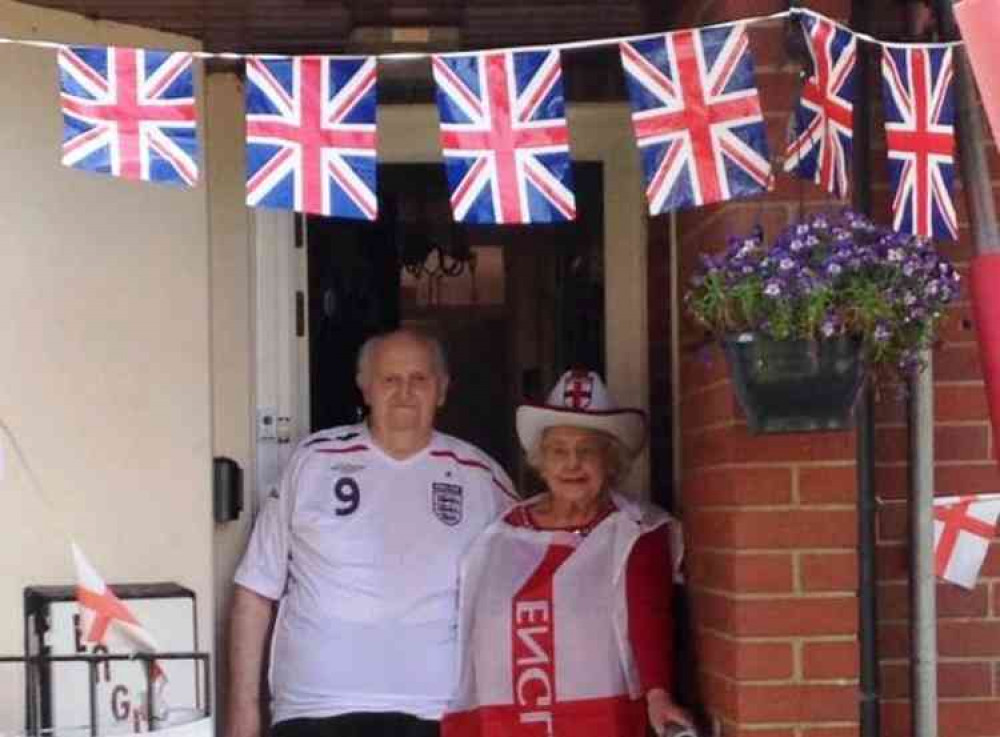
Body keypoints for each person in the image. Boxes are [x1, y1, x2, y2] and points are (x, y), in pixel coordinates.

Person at [227, 329, 518, 737]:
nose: (404, 392)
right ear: (366, 389)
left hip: (438, 712)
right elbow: (255, 591)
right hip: (316, 710)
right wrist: (242, 713)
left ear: (442, 390)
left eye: (419, 379)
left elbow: (519, 598)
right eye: (389, 380)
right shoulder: (312, 462)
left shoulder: (483, 479)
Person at [442, 369, 692, 737]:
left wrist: (658, 694)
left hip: (600, 721)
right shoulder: (499, 535)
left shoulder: (636, 530)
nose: (572, 463)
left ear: (610, 462)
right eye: (559, 451)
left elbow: (649, 616)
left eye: (586, 451)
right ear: (542, 463)